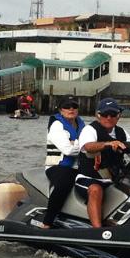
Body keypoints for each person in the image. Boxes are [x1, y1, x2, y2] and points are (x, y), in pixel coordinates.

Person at [75, 98, 130, 228]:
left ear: (118, 116)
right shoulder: (90, 130)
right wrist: (108, 144)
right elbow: (88, 146)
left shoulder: (122, 132)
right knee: (95, 189)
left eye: (112, 115)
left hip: (114, 179)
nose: (109, 118)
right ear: (98, 115)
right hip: (89, 178)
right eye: (105, 114)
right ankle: (97, 230)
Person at [42, 95, 85, 228]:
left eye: (74, 106)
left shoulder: (81, 124)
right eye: (67, 107)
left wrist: (74, 143)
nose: (71, 109)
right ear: (61, 110)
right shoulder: (57, 125)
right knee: (64, 183)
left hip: (78, 167)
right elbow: (68, 150)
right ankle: (47, 222)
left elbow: (91, 143)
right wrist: (81, 143)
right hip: (57, 167)